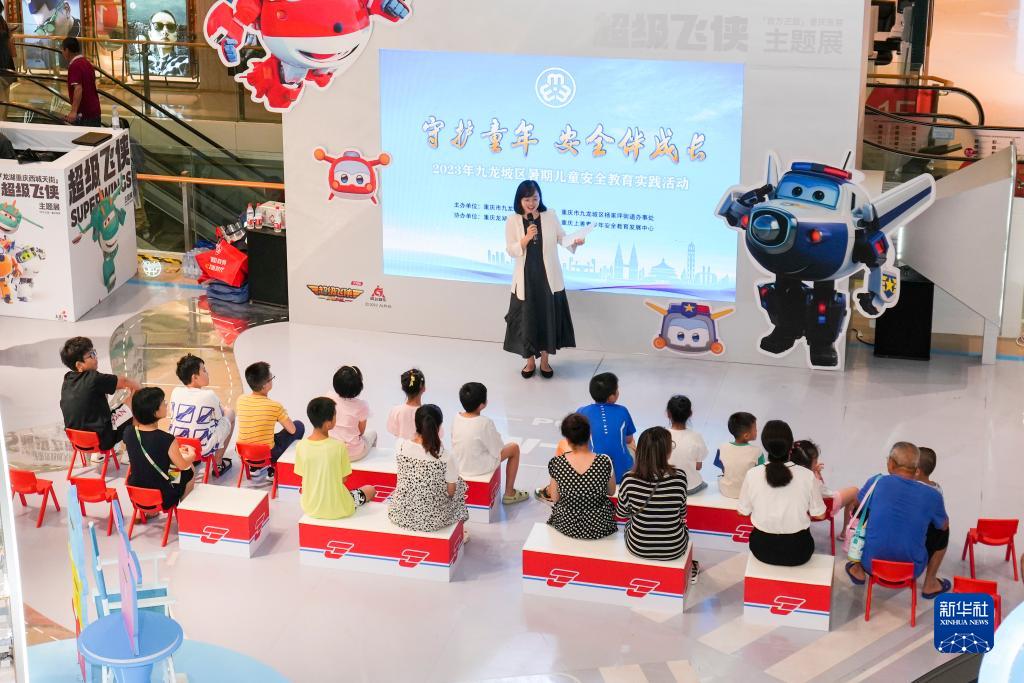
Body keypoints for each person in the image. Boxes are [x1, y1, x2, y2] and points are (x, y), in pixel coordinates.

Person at [845, 442, 951, 598]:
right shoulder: (932, 495)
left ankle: (857, 569)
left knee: (862, 510)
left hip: (870, 564)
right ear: (916, 470)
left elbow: (858, 505)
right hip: (912, 569)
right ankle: (930, 583)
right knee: (943, 531)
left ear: (891, 463)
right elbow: (943, 525)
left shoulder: (876, 482)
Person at [502, 180, 585, 379]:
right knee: (527, 321)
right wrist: (526, 238)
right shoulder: (512, 220)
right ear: (519, 200)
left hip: (548, 279)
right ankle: (530, 362)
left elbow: (562, 238)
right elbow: (511, 250)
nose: (531, 203)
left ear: (540, 198)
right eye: (527, 199)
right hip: (526, 280)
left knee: (547, 319)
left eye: (535, 198)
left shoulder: (550, 216)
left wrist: (575, 242)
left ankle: (545, 362)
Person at [617, 427, 699, 581]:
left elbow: (621, 514)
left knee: (630, 524)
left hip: (638, 546)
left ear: (640, 451)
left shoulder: (628, 479)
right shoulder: (679, 477)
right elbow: (682, 513)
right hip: (674, 547)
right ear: (667, 452)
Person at [738, 420, 824, 567]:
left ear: (765, 446)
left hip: (762, 549)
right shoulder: (807, 476)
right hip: (799, 551)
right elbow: (820, 515)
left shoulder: (752, 474)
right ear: (791, 446)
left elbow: (742, 512)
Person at [388, 405, 468, 532]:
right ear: (439, 427)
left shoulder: (401, 445)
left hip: (400, 514)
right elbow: (451, 492)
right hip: (432, 521)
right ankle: (461, 532)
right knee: (460, 485)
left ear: (416, 424)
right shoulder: (446, 455)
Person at [294, 397, 375, 520]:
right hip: (339, 507)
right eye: (335, 415)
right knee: (370, 490)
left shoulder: (301, 446)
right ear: (328, 423)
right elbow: (343, 478)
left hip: (310, 507)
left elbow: (302, 474)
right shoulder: (339, 446)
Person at [59, 336, 140, 456]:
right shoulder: (93, 378)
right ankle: (132, 455)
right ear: (79, 365)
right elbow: (124, 381)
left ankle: (99, 456)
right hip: (102, 440)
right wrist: (141, 390)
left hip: (77, 440)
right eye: (91, 355)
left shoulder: (67, 379)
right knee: (137, 402)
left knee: (102, 406)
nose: (95, 357)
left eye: (94, 352)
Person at [451, 381, 528, 505]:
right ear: (482, 405)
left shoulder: (456, 417)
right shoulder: (485, 423)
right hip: (479, 468)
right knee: (514, 448)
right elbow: (498, 449)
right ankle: (510, 493)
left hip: (459, 465)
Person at [546, 413, 617, 540]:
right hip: (599, 525)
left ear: (567, 439)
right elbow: (611, 492)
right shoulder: (604, 461)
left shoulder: (557, 462)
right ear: (589, 435)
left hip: (566, 524)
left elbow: (555, 498)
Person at [124, 387, 196, 510]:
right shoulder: (167, 439)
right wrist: (192, 454)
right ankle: (184, 511)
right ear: (155, 412)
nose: (166, 404)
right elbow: (183, 465)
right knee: (189, 470)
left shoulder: (129, 432)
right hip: (163, 497)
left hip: (136, 494)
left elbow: (149, 449)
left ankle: (145, 512)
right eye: (163, 403)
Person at [235, 361, 304, 478]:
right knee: (299, 426)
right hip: (267, 454)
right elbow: (292, 430)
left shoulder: (240, 400)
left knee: (259, 435)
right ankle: (273, 468)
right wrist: (281, 414)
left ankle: (254, 467)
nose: (272, 380)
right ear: (264, 385)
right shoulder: (274, 406)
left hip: (243, 453)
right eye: (271, 378)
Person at [168, 354, 233, 475]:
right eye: (204, 370)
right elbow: (220, 418)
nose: (207, 373)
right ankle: (218, 462)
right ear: (195, 377)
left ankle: (193, 459)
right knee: (229, 413)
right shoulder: (209, 395)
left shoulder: (176, 391)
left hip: (177, 445)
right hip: (201, 448)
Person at [576, 372, 636, 484]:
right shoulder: (623, 410)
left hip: (592, 473)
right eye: (617, 389)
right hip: (623, 474)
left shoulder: (582, 411)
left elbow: (577, 439)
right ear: (612, 397)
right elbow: (628, 439)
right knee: (632, 443)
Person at [790, 439, 858, 535]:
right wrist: (817, 474)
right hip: (826, 507)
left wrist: (813, 471)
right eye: (815, 461)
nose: (817, 463)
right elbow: (823, 490)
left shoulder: (789, 476)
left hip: (805, 512)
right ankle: (845, 533)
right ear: (808, 464)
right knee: (855, 491)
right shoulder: (812, 479)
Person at [329, 365, 376, 461]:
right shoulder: (362, 405)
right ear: (358, 388)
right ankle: (370, 462)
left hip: (332, 451)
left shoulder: (329, 397)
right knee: (373, 434)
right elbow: (361, 432)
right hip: (353, 454)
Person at [666, 395, 709, 495]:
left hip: (666, 486)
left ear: (668, 414)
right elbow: (698, 467)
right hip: (690, 488)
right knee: (702, 484)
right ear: (690, 414)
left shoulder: (661, 435)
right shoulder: (696, 437)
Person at [714, 412, 761, 498]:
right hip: (746, 494)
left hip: (726, 491)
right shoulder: (757, 452)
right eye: (755, 429)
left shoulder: (722, 447)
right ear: (746, 435)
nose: (757, 431)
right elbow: (760, 473)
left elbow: (723, 468)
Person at [61, 37, 100, 127]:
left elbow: (78, 89)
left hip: (85, 113)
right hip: (94, 110)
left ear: (67, 50)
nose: (62, 52)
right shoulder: (87, 63)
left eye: (63, 50)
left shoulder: (75, 65)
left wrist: (73, 111)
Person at [387, 368, 429, 440]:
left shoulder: (396, 410)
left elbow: (393, 431)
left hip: (401, 447)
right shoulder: (429, 413)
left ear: (404, 388)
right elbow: (438, 434)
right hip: (421, 447)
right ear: (423, 387)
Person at [143, 10, 188, 77]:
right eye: (158, 26)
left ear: (176, 34)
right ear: (150, 35)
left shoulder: (185, 62)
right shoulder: (150, 65)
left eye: (170, 27)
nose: (165, 31)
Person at [0, 4, 16, 121]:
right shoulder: (3, 22)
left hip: (2, 65)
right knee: (5, 98)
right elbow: (10, 41)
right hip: (6, 64)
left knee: (3, 98)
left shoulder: (2, 23)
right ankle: (3, 122)